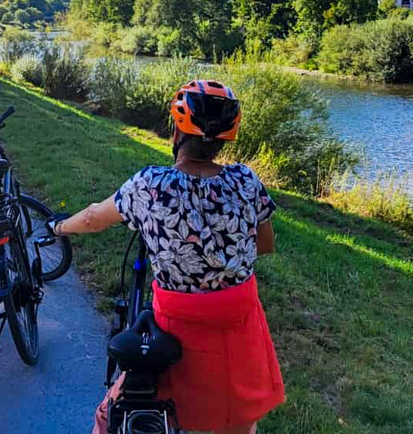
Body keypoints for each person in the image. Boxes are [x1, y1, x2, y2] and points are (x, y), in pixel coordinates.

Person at [50, 80, 285, 434]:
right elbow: (264, 245)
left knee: (111, 416)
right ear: (226, 136)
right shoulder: (246, 182)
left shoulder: (150, 186)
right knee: (238, 419)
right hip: (239, 330)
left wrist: (59, 228)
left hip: (177, 334)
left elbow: (91, 219)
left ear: (176, 130)